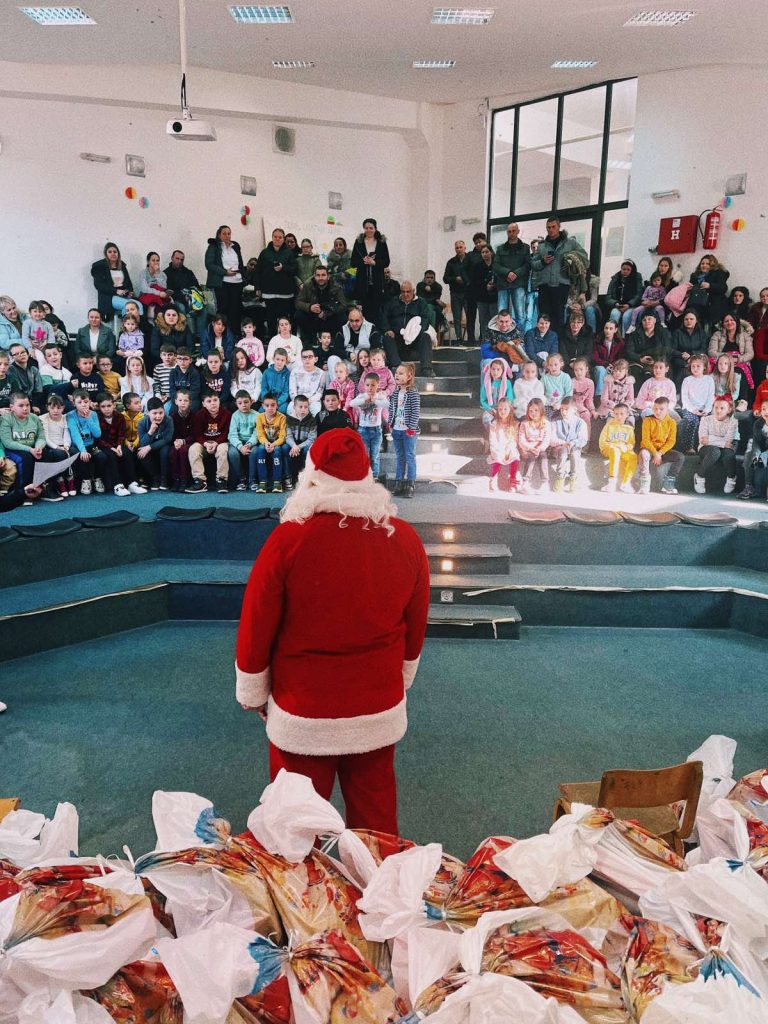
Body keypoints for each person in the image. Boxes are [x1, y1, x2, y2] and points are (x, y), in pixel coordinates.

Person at [235, 427, 429, 831]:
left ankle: (301, 894)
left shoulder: (288, 539)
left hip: (304, 709)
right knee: (376, 825)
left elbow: (256, 621)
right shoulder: (406, 539)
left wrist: (253, 691)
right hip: (376, 705)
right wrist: (401, 679)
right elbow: (415, 626)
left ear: (312, 479)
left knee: (295, 830)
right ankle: (379, 889)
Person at [0, 392, 68, 499]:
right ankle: (23, 493)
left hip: (32, 448)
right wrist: (30, 449)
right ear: (12, 407)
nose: (25, 408)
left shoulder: (34, 418)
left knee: (48, 455)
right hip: (13, 449)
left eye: (27, 405)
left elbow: (41, 437)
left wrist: (38, 447)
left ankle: (45, 489)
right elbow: (7, 442)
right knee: (26, 458)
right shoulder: (6, 419)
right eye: (21, 406)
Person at [530, 216, 588, 327]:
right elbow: (533, 264)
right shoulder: (542, 246)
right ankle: (545, 342)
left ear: (559, 227)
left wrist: (571, 262)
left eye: (553, 227)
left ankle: (558, 342)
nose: (551, 230)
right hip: (545, 285)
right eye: (548, 227)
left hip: (562, 284)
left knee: (559, 316)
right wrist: (543, 261)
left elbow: (584, 258)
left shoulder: (570, 243)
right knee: (544, 316)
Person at [380, 281, 435, 376]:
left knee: (426, 336)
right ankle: (397, 367)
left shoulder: (421, 303)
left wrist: (414, 332)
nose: (405, 294)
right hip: (397, 337)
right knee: (387, 338)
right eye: (403, 291)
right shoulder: (393, 302)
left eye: (408, 291)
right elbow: (384, 318)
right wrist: (388, 329)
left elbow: (425, 321)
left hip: (414, 339)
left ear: (414, 291)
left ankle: (427, 369)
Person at [97, 393, 147, 496]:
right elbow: (98, 439)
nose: (106, 409)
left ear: (114, 405)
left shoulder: (119, 417)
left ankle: (132, 483)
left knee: (127, 453)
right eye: (103, 406)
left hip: (117, 444)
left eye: (109, 406)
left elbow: (121, 434)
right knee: (111, 456)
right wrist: (112, 448)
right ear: (99, 407)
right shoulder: (97, 418)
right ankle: (118, 485)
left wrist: (119, 446)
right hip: (105, 446)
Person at [692, 395, 739, 495]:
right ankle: (699, 476)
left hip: (727, 447)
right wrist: (722, 442)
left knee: (728, 454)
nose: (718, 411)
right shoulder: (705, 420)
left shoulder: (733, 422)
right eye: (716, 407)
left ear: (729, 410)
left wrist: (711, 439)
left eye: (722, 408)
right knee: (715, 452)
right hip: (707, 448)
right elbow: (703, 439)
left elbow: (729, 440)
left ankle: (731, 477)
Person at [187, 392, 232, 493]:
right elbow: (197, 434)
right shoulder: (199, 415)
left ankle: (222, 480)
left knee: (222, 450)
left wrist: (216, 443)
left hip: (221, 442)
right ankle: (200, 481)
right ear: (203, 404)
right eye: (209, 401)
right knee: (193, 449)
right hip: (205, 442)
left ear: (219, 401)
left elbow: (226, 433)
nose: (213, 403)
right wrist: (206, 444)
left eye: (215, 400)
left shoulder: (227, 414)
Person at [638, 396, 684, 495]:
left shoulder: (671, 422)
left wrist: (660, 453)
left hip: (663, 450)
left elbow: (671, 441)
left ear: (667, 410)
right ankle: (645, 482)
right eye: (655, 409)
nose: (658, 411)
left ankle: (668, 484)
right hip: (649, 449)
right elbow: (645, 440)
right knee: (643, 454)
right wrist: (655, 453)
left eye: (661, 409)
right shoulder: (647, 420)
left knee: (680, 457)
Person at [67, 389, 108, 494]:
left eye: (86, 402)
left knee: (101, 456)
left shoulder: (93, 414)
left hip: (91, 444)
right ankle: (86, 480)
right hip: (78, 445)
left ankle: (97, 478)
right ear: (74, 404)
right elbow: (75, 435)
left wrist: (88, 419)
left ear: (90, 402)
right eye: (79, 402)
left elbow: (97, 434)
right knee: (83, 457)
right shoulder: (70, 416)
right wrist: (83, 450)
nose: (83, 405)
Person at [258, 228, 298, 337]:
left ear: (283, 239)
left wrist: (283, 268)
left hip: (285, 293)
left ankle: (284, 339)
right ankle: (272, 340)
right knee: (270, 319)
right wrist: (258, 287)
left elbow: (294, 269)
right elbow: (258, 271)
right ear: (272, 237)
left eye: (280, 237)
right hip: (269, 292)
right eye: (275, 236)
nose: (277, 239)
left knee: (283, 319)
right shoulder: (264, 253)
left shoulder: (289, 253)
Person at [351, 218, 390, 326]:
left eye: (371, 228)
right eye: (366, 228)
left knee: (377, 310)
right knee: (364, 310)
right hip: (363, 282)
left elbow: (387, 261)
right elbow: (353, 262)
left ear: (375, 229)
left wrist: (374, 262)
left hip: (377, 282)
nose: (368, 230)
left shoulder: (381, 242)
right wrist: (363, 261)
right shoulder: (358, 242)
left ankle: (376, 334)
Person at [205, 225, 244, 333]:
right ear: (219, 235)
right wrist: (225, 272)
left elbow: (240, 263)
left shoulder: (235, 246)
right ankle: (221, 333)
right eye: (224, 234)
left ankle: (235, 334)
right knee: (223, 309)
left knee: (235, 310)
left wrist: (243, 275)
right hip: (222, 282)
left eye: (229, 233)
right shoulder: (213, 247)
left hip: (236, 281)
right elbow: (209, 264)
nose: (227, 236)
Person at [389, 362, 420, 497]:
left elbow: (415, 412)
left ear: (409, 376)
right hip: (397, 429)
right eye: (396, 373)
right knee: (400, 456)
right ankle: (399, 482)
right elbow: (392, 409)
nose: (397, 375)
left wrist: (411, 428)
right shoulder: (395, 393)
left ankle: (410, 483)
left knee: (410, 456)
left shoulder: (412, 393)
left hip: (408, 431)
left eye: (401, 373)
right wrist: (390, 424)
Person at [90, 242, 142, 320]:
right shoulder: (99, 266)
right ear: (105, 254)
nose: (113, 253)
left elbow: (128, 283)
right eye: (110, 252)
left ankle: (137, 329)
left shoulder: (122, 266)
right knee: (129, 306)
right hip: (109, 297)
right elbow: (99, 285)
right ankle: (127, 329)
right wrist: (116, 291)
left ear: (118, 253)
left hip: (123, 296)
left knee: (139, 305)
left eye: (115, 252)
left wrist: (129, 292)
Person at [350, 373, 388, 478]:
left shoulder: (380, 396)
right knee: (364, 454)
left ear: (378, 385)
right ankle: (364, 476)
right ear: (364, 385)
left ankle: (375, 476)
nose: (370, 388)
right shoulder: (362, 396)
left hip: (376, 431)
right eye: (367, 385)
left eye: (373, 385)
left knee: (375, 455)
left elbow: (387, 404)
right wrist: (364, 400)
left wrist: (374, 400)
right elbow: (351, 403)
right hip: (363, 430)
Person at [493, 223, 530, 327]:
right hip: (503, 284)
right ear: (507, 233)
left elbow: (527, 265)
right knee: (501, 315)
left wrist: (516, 273)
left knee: (520, 314)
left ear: (518, 231)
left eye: (514, 231)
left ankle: (519, 340)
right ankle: (501, 340)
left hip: (519, 284)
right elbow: (495, 265)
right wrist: (508, 273)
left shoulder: (525, 248)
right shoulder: (500, 248)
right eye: (509, 231)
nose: (511, 233)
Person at [295, 265, 345, 340]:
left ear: (328, 276)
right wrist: (310, 307)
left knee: (342, 317)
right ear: (314, 276)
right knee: (299, 315)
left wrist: (327, 313)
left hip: (329, 316)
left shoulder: (336, 286)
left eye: (323, 275)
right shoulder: (307, 285)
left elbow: (343, 305)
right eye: (318, 275)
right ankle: (309, 340)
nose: (320, 278)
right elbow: (298, 302)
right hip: (313, 316)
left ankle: (334, 339)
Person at [550, 396, 588, 493]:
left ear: (574, 410)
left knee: (575, 453)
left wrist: (573, 443)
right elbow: (552, 439)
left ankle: (573, 478)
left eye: (567, 409)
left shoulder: (580, 423)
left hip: (574, 446)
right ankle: (560, 476)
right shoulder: (556, 422)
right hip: (560, 446)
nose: (563, 412)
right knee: (562, 453)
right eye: (562, 409)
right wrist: (563, 443)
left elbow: (583, 438)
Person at [679, 353, 715, 453]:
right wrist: (693, 410)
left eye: (698, 366)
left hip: (705, 409)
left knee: (709, 420)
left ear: (704, 367)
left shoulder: (709, 380)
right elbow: (685, 398)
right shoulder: (687, 380)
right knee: (693, 421)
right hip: (690, 409)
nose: (695, 368)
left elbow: (710, 397)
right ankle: (689, 447)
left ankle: (705, 447)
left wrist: (707, 410)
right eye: (693, 366)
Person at [164, 249, 205, 338]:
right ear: (172, 258)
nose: (179, 261)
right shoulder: (166, 273)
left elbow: (196, 286)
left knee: (203, 309)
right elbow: (169, 292)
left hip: (191, 299)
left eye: (181, 260)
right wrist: (184, 297)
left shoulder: (188, 272)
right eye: (177, 258)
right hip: (177, 300)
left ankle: (201, 338)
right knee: (181, 308)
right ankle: (189, 337)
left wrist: (193, 296)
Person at [40, 393, 74, 498]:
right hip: (51, 446)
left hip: (63, 444)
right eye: (52, 408)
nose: (55, 411)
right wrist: (58, 447)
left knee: (74, 452)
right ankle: (61, 480)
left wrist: (66, 446)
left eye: (58, 408)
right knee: (60, 454)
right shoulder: (43, 418)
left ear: (63, 408)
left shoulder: (64, 418)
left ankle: (71, 478)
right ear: (47, 407)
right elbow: (46, 438)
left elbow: (66, 434)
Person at [599, 403, 636, 493]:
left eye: (622, 414)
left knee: (633, 456)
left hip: (623, 450)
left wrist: (626, 447)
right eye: (616, 414)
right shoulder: (608, 426)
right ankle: (612, 481)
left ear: (627, 415)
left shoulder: (629, 428)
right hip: (609, 449)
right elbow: (602, 442)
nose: (619, 416)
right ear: (613, 414)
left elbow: (631, 443)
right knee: (615, 451)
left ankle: (625, 483)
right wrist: (616, 446)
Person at [254, 393, 287, 492]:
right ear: (263, 406)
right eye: (267, 405)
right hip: (265, 442)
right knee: (260, 450)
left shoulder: (282, 417)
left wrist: (274, 444)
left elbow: (282, 436)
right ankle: (263, 482)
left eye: (273, 405)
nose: (270, 408)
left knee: (277, 452)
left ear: (277, 405)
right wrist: (266, 443)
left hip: (277, 443)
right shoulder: (259, 417)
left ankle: (277, 482)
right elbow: (260, 434)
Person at [137, 397, 173, 490]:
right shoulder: (142, 423)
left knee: (165, 450)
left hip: (162, 446)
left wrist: (150, 447)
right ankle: (155, 478)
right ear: (148, 413)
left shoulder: (168, 420)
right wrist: (150, 432)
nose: (158, 416)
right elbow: (142, 443)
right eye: (154, 413)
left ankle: (164, 479)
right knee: (141, 452)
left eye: (161, 413)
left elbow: (167, 439)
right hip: (150, 448)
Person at [517, 397, 551, 494]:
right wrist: (530, 448)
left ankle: (545, 483)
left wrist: (539, 448)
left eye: (536, 410)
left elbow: (547, 439)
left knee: (543, 457)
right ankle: (526, 482)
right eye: (530, 411)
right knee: (531, 457)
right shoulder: (524, 424)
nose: (533, 413)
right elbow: (521, 440)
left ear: (541, 411)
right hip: (528, 448)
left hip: (541, 448)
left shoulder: (546, 424)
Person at [228, 390, 259, 491]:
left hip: (251, 442)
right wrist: (240, 446)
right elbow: (232, 435)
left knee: (254, 452)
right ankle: (242, 479)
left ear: (251, 401)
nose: (243, 405)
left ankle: (252, 480)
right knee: (232, 453)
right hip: (238, 443)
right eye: (240, 403)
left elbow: (257, 433)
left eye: (246, 402)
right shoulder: (235, 416)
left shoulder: (257, 415)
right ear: (236, 404)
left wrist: (250, 443)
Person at [688, 254, 729, 329]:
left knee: (709, 330)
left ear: (713, 265)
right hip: (697, 307)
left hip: (712, 307)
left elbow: (723, 288)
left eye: (708, 264)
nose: (704, 265)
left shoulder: (718, 273)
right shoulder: (695, 276)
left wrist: (710, 285)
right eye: (702, 263)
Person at [487, 397, 519, 492]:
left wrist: (508, 449)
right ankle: (493, 478)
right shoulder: (494, 424)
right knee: (498, 455)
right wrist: (497, 450)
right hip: (498, 447)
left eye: (505, 409)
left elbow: (514, 439)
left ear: (510, 410)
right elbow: (492, 439)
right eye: (500, 409)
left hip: (509, 448)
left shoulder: (514, 424)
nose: (503, 411)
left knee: (515, 455)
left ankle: (512, 480)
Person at [442, 240, 471, 343]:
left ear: (465, 248)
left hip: (468, 293)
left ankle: (470, 338)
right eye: (457, 248)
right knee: (457, 317)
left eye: (460, 247)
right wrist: (455, 279)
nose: (459, 249)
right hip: (455, 293)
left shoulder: (470, 259)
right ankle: (459, 339)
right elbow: (445, 278)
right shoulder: (451, 262)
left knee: (470, 316)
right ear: (455, 249)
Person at [739, 399, 768, 500]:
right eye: (764, 409)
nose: (766, 412)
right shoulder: (758, 424)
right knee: (750, 456)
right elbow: (756, 443)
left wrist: (763, 456)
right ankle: (749, 487)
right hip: (761, 448)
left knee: (762, 459)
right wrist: (756, 454)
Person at [285, 395, 316, 488]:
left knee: (308, 450)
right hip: (293, 444)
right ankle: (289, 477)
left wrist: (298, 447)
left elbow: (311, 439)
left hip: (304, 444)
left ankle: (304, 477)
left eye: (306, 407)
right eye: (300, 407)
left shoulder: (312, 420)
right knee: (285, 448)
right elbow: (288, 436)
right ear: (294, 407)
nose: (303, 409)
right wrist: (294, 446)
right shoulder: (289, 419)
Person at [605, 260, 643, 333]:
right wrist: (616, 304)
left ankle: (626, 339)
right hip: (618, 305)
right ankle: (614, 337)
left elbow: (639, 295)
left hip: (631, 306)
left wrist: (629, 304)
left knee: (626, 316)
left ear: (632, 270)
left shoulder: (636, 278)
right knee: (614, 314)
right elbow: (608, 297)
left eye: (628, 270)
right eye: (623, 269)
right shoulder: (615, 279)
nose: (625, 271)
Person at [591, 320, 625, 398]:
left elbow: (621, 358)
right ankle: (600, 397)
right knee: (601, 370)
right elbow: (595, 357)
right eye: (606, 328)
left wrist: (613, 366)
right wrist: (606, 365)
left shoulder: (620, 342)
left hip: (614, 367)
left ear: (615, 330)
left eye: (611, 328)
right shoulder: (597, 341)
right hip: (600, 366)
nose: (608, 331)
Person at [170, 389, 195, 492]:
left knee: (183, 451)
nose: (182, 403)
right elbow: (171, 434)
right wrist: (176, 442)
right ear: (176, 401)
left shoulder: (194, 415)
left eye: (185, 400)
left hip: (190, 442)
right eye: (180, 400)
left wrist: (183, 441)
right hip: (176, 443)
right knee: (173, 452)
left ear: (190, 402)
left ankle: (185, 480)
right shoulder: (172, 416)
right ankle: (176, 480)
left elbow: (195, 434)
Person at [471, 244, 498, 339]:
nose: (485, 254)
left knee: (494, 319)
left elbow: (500, 279)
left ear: (491, 252)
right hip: (481, 297)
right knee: (483, 320)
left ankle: (495, 340)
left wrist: (494, 285)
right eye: (483, 252)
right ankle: (485, 340)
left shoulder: (496, 264)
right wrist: (485, 284)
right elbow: (474, 282)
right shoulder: (477, 266)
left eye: (487, 252)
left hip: (494, 297)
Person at [8, 343, 44, 413]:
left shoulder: (34, 369)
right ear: (12, 357)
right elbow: (17, 391)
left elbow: (38, 390)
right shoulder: (11, 370)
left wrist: (35, 404)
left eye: (23, 352)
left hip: (34, 401)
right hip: (19, 402)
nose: (21, 355)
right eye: (16, 354)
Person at [596, 359, 635, 423]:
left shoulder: (629, 382)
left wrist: (623, 406)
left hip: (624, 407)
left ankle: (629, 432)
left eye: (620, 371)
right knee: (611, 420)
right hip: (610, 407)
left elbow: (630, 399)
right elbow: (603, 399)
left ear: (626, 371)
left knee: (631, 420)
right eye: (615, 370)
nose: (617, 373)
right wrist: (614, 406)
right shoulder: (609, 381)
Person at [288, 349, 325, 417]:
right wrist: (299, 402)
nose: (307, 359)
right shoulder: (295, 372)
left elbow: (319, 393)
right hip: (297, 400)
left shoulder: (321, 373)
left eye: (310, 357)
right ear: (301, 359)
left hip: (313, 401)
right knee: (290, 409)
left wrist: (308, 401)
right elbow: (292, 391)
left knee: (316, 410)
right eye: (304, 357)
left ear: (316, 359)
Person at [137, 251, 172, 320]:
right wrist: (158, 293)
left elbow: (163, 287)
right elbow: (144, 288)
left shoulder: (162, 274)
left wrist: (157, 274)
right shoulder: (143, 273)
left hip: (160, 296)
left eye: (157, 260)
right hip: (146, 296)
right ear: (148, 262)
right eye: (153, 260)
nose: (156, 262)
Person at [480, 358, 514, 428]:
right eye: (493, 369)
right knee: (487, 419)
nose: (495, 372)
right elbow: (483, 400)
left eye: (498, 369)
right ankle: (491, 435)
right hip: (491, 409)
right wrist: (489, 409)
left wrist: (504, 408)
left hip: (504, 409)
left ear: (503, 371)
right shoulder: (486, 384)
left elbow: (510, 398)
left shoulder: (507, 383)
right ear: (489, 369)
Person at [21, 301, 56, 365]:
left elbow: (51, 337)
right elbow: (25, 337)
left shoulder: (47, 324)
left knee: (51, 359)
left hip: (45, 347)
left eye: (40, 311)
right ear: (30, 312)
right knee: (41, 360)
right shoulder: (27, 323)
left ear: (43, 313)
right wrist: (30, 348)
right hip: (33, 347)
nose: (38, 314)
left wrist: (47, 343)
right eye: (35, 311)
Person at [169, 347, 202, 412]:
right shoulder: (173, 372)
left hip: (191, 400)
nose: (182, 361)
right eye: (179, 358)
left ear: (190, 360)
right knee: (173, 411)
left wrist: (185, 400)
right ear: (176, 359)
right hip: (178, 399)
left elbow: (195, 391)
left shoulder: (194, 373)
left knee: (193, 409)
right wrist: (179, 400)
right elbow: (172, 390)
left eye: (185, 359)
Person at [416, 270, 446, 338]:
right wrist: (434, 299)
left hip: (434, 307)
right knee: (432, 312)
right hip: (422, 308)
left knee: (430, 308)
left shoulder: (438, 286)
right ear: (424, 278)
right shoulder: (420, 285)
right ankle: (432, 333)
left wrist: (430, 291)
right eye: (427, 277)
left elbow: (437, 300)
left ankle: (429, 333)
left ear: (434, 278)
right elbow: (421, 299)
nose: (429, 279)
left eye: (431, 278)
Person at [541, 352, 572, 417]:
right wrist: (549, 403)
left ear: (561, 364)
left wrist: (559, 404)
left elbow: (569, 394)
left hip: (563, 404)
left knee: (567, 416)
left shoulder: (566, 377)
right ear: (547, 366)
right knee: (546, 418)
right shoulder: (544, 378)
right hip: (548, 405)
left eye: (555, 364)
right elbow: (540, 393)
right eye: (550, 365)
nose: (553, 367)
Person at [261, 348, 291, 413]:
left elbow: (286, 392)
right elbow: (264, 389)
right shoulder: (267, 372)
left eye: (282, 360)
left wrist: (278, 402)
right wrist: (268, 402)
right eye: (277, 359)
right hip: (268, 400)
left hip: (281, 402)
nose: (279, 362)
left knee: (282, 410)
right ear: (273, 359)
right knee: (261, 411)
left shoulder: (287, 374)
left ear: (286, 361)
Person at [570, 357, 596, 434]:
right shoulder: (571, 382)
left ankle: (586, 438)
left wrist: (592, 410)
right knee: (574, 416)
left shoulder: (590, 383)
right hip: (572, 406)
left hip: (582, 406)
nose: (579, 372)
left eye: (581, 369)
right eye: (576, 370)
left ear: (586, 369)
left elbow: (589, 399)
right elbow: (569, 398)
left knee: (587, 414)